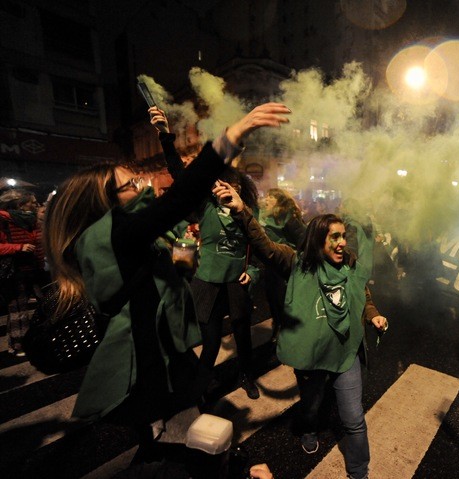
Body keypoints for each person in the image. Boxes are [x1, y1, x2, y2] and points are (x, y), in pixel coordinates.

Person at [43, 104, 290, 459]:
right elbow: (179, 196)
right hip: (150, 368)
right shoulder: (115, 233)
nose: (140, 187)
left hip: (159, 356)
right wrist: (231, 136)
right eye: (130, 185)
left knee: (169, 437)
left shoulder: (112, 236)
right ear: (107, 201)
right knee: (187, 451)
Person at [219, 182, 387, 479]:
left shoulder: (349, 263)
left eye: (343, 237)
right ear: (318, 240)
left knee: (354, 419)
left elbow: (361, 294)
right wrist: (242, 211)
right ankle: (309, 428)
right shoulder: (298, 263)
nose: (341, 243)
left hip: (345, 356)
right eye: (334, 237)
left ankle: (359, 472)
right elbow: (266, 248)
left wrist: (373, 316)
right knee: (311, 407)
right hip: (312, 356)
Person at [150, 106, 262, 400]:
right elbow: (181, 176)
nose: (226, 186)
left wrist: (251, 273)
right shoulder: (205, 207)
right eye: (221, 181)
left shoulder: (249, 211)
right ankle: (201, 385)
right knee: (210, 341)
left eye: (233, 183)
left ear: (242, 188)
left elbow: (260, 248)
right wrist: (164, 136)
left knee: (242, 334)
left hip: (236, 282)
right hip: (207, 280)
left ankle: (246, 375)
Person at [0, 189, 45, 357]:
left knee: (43, 305)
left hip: (33, 268)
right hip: (14, 270)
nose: (36, 204)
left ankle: (28, 340)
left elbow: (39, 244)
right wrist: (19, 247)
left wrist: (41, 264)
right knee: (18, 309)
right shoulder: (3, 220)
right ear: (20, 204)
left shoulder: (33, 220)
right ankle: (19, 344)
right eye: (32, 202)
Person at [259, 188, 306, 341]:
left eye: (270, 196)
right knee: (272, 298)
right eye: (266, 196)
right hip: (271, 266)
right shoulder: (266, 217)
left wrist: (291, 254)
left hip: (286, 266)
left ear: (279, 201)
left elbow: (303, 239)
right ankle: (278, 325)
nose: (266, 199)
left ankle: (287, 331)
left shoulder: (288, 218)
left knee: (283, 299)